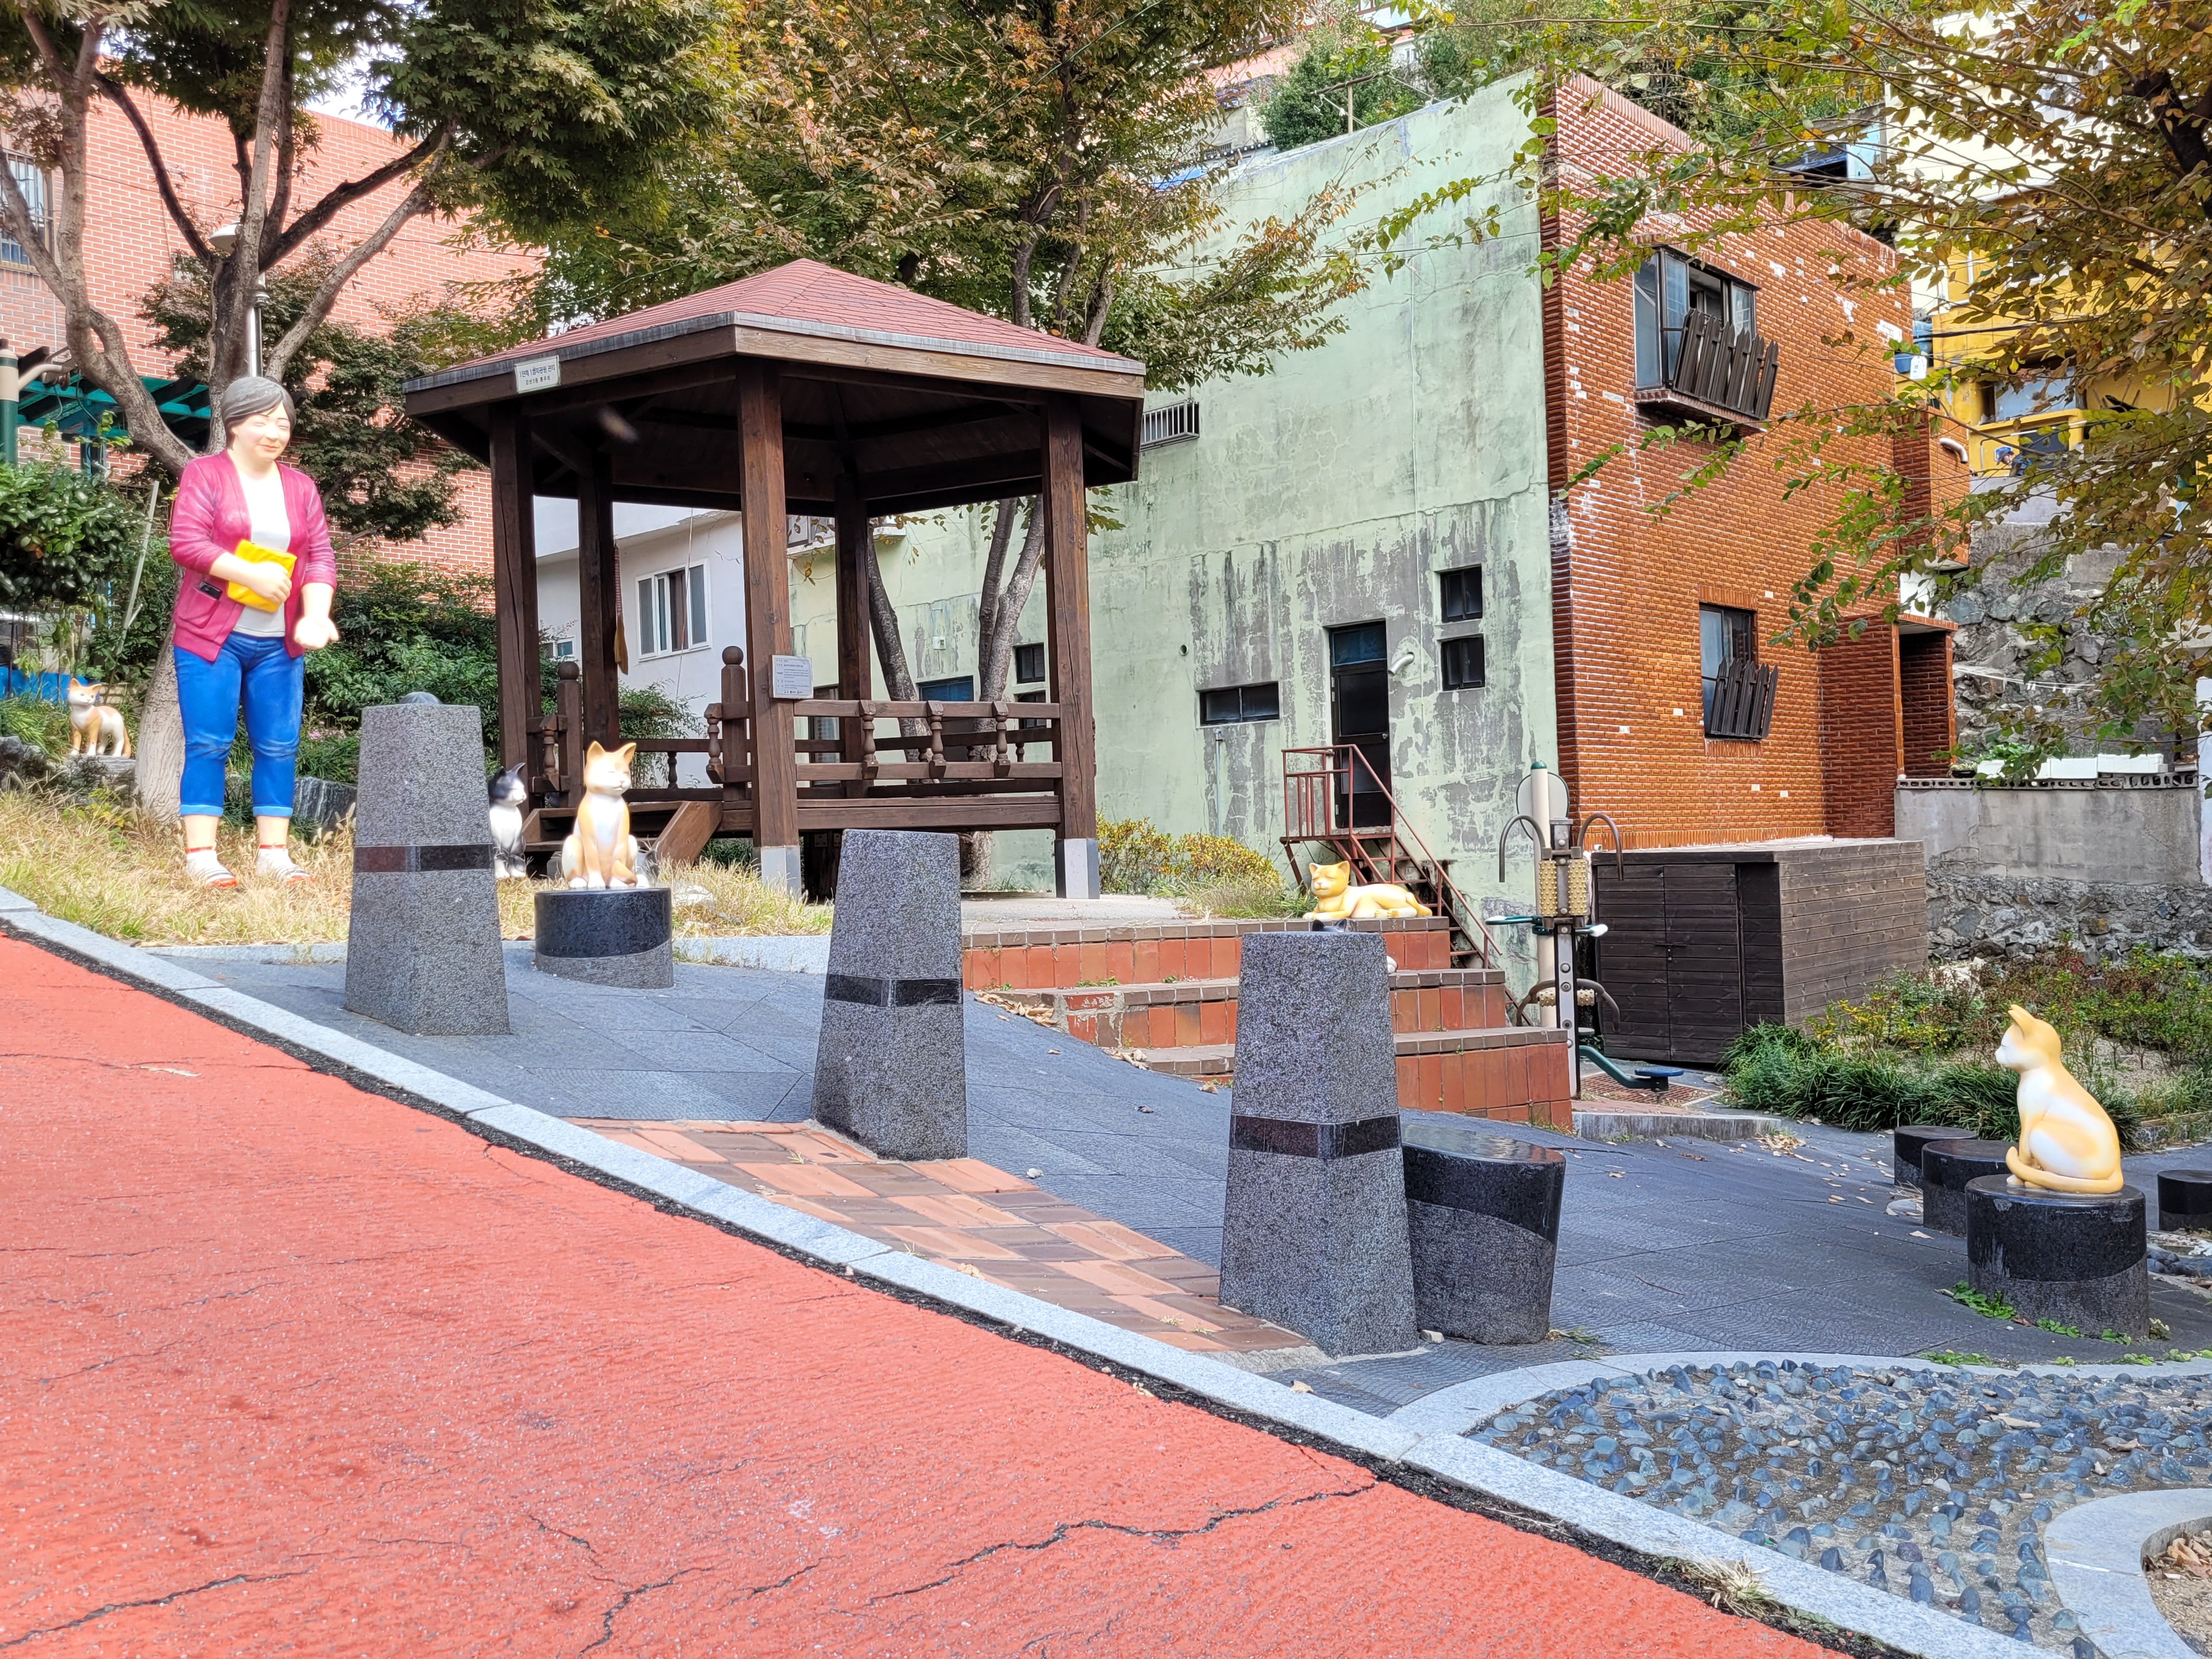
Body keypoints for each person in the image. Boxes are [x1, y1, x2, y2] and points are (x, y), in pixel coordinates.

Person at [167, 376, 341, 888]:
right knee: (208, 742)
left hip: (279, 642)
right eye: (262, 421)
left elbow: (320, 557)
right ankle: (201, 855)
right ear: (234, 424)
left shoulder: (301, 487)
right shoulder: (205, 474)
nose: (274, 432)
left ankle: (274, 853)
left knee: (280, 745)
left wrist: (315, 613)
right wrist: (251, 575)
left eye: (282, 423)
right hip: (210, 636)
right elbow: (186, 542)